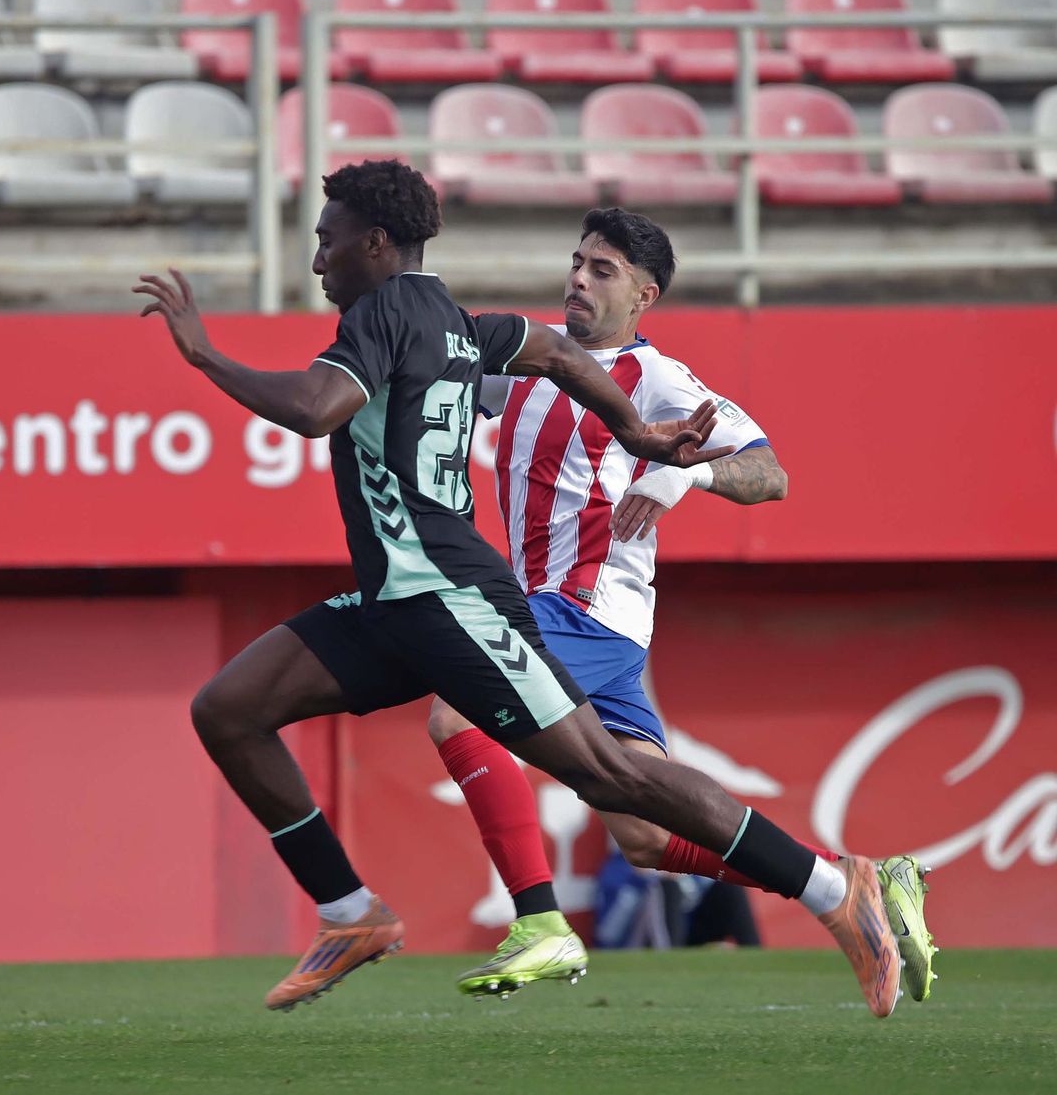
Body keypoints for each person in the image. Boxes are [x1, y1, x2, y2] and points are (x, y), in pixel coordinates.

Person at [134, 160, 900, 1019]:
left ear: (375, 242)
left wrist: (203, 354)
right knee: (229, 709)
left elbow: (318, 407)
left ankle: (824, 892)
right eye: (577, 262)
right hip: (404, 599)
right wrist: (636, 435)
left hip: (479, 599)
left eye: (326, 240)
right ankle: (351, 914)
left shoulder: (394, 313)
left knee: (603, 773)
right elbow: (554, 354)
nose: (318, 261)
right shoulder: (458, 323)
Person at [429, 209, 935, 1006]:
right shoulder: (528, 364)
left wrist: (687, 476)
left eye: (603, 270)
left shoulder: (657, 379)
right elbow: (438, 372)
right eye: (577, 262)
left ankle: (539, 921)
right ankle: (844, 883)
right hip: (577, 621)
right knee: (646, 836)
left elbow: (770, 473)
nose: (578, 280)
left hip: (584, 611)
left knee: (455, 711)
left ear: (645, 294)